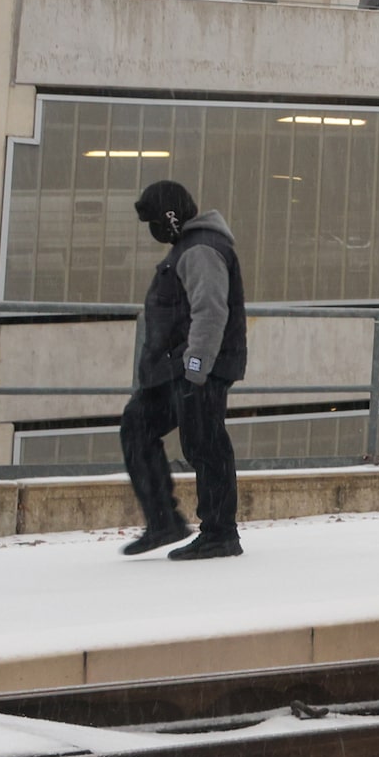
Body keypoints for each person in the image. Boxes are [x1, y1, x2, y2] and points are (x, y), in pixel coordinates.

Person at [118, 181, 248, 560]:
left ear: (170, 217)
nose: (152, 229)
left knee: (205, 443)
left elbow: (210, 312)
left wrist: (197, 369)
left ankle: (221, 534)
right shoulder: (187, 247)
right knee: (137, 426)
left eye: (154, 220)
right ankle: (164, 522)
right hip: (173, 369)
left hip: (196, 368)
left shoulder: (201, 248)